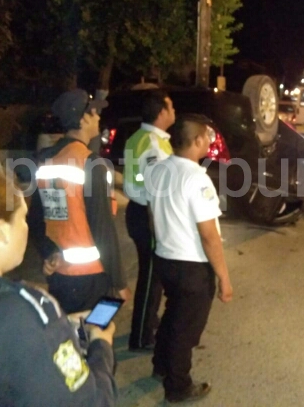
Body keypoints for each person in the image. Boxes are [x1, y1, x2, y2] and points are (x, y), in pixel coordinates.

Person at [0, 167, 118, 406]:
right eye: (22, 218)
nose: (27, 227)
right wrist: (101, 346)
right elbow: (91, 402)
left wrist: (61, 327)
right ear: (1, 232)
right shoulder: (21, 311)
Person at [146, 114, 233, 404]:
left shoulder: (158, 171)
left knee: (173, 315)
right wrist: (223, 276)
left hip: (165, 258)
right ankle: (178, 386)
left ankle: (161, 365)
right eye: (207, 135)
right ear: (196, 141)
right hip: (192, 266)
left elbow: (152, 212)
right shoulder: (196, 178)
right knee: (186, 330)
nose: (210, 140)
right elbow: (209, 234)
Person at [27, 89, 131, 313]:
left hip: (59, 274)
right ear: (83, 119)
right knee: (98, 331)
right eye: (94, 113)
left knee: (69, 334)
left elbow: (35, 218)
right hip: (93, 277)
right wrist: (119, 281)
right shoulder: (89, 163)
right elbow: (102, 228)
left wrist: (48, 252)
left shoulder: (44, 160)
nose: (99, 117)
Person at [124, 89, 175, 352]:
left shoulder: (138, 137)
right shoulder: (154, 144)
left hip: (138, 210)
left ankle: (147, 323)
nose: (174, 111)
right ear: (161, 112)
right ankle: (142, 336)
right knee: (152, 277)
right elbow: (157, 188)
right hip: (148, 214)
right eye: (171, 106)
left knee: (150, 274)